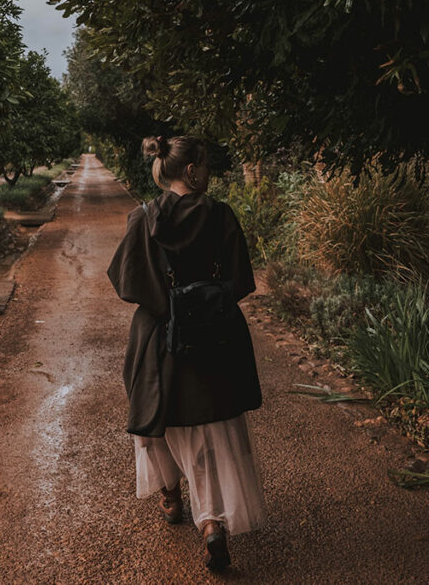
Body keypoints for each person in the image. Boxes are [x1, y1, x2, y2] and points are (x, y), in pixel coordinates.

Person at [107, 135, 266, 572]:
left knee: (157, 418)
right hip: (212, 337)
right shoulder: (220, 215)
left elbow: (127, 283)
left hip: (158, 337)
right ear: (192, 171)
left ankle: (172, 498)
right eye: (207, 164)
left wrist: (165, 302)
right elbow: (240, 283)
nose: (209, 172)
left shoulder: (142, 218)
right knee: (211, 429)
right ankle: (212, 523)